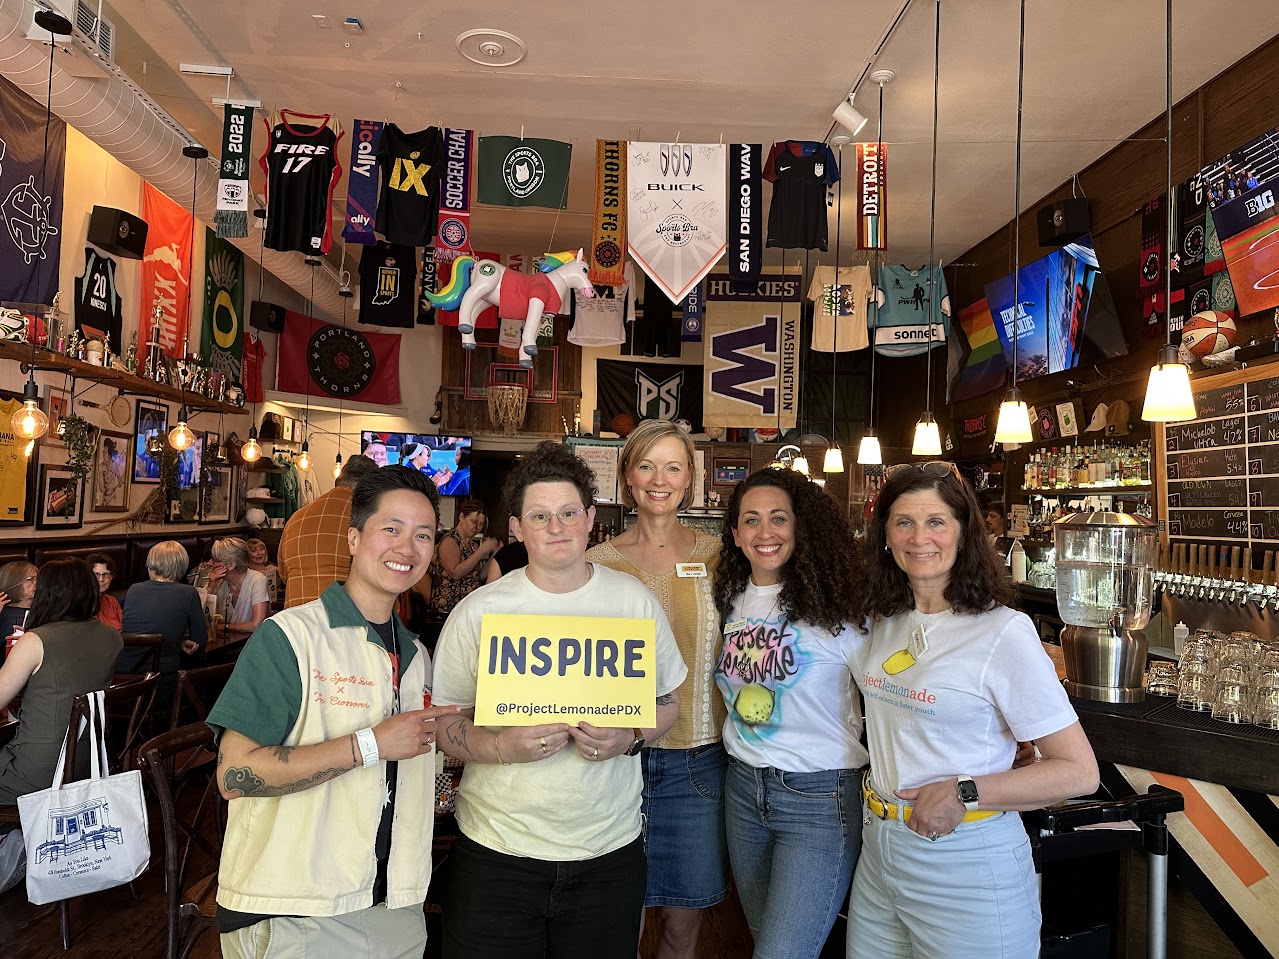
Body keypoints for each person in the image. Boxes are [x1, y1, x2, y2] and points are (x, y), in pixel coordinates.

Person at [433, 441, 687, 959]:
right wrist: (500, 748)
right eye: (540, 515)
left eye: (569, 512)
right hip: (496, 850)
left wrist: (630, 735)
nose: (557, 526)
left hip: (607, 852)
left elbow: (668, 701)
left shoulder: (630, 601)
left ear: (591, 519)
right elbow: (443, 723)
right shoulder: (480, 612)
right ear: (518, 528)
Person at [847, 462, 1099, 959]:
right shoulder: (882, 621)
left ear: (964, 534)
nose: (920, 537)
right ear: (885, 537)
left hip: (966, 862)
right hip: (879, 849)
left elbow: (1079, 772)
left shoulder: (1002, 631)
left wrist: (967, 790)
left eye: (937, 521)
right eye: (904, 522)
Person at [208, 466, 459, 958]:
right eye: (391, 528)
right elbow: (235, 775)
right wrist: (371, 744)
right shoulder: (289, 637)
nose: (406, 548)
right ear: (353, 537)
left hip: (396, 904)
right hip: (296, 908)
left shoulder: (416, 657)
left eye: (423, 535)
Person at [586, 419, 728, 959]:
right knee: (617, 922)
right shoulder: (598, 565)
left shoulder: (723, 557)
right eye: (646, 465)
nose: (659, 479)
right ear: (627, 477)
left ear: (691, 478)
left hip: (699, 760)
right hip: (614, 759)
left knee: (681, 923)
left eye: (673, 466)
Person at [713, 468, 869, 959]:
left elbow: (890, 698)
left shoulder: (840, 607)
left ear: (799, 527)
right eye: (751, 520)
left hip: (819, 799)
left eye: (779, 519)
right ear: (735, 534)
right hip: (741, 790)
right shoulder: (728, 599)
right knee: (771, 943)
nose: (766, 533)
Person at [0, 558, 122, 803]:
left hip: (39, 772)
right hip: (89, 762)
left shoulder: (35, 641)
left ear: (47, 593)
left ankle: (12, 839)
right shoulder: (112, 637)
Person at [278, 453, 379, 608]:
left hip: (296, 624)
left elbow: (284, 575)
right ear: (370, 488)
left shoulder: (296, 518)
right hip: (350, 622)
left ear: (337, 481)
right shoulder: (370, 518)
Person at [120, 541, 208, 676]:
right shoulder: (188, 593)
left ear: (151, 565)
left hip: (127, 672)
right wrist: (181, 641)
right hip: (163, 673)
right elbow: (200, 640)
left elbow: (144, 628)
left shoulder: (134, 589)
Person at [428, 498, 500, 616]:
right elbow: (455, 572)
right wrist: (481, 551)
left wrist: (494, 554)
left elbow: (480, 575)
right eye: (473, 521)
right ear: (461, 517)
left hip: (468, 606)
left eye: (481, 524)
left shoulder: (473, 545)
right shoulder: (450, 540)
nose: (476, 527)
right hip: (449, 606)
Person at [204, 538, 271, 634]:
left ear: (231, 565)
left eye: (215, 561)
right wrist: (211, 586)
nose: (210, 563)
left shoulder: (257, 580)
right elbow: (200, 616)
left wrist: (222, 627)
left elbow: (255, 625)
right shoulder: (217, 581)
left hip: (251, 643)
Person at [0, 561, 38, 647]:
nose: (37, 582)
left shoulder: (46, 609)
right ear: (13, 583)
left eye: (38, 578)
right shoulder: (3, 613)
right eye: (31, 579)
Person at [86, 552, 124, 632]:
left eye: (106, 574)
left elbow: (125, 627)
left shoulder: (112, 601)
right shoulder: (83, 604)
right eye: (96, 575)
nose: (101, 579)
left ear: (111, 578)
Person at [245, 537, 282, 605]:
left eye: (262, 549)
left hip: (276, 605)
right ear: (247, 555)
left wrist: (278, 569)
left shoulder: (272, 566)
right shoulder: (245, 571)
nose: (259, 553)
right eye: (254, 551)